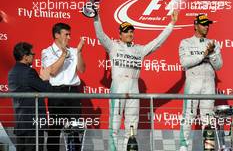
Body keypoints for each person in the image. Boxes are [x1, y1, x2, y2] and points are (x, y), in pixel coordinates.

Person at [93, 10, 178, 151]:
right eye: (126, 31)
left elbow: (157, 43)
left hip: (133, 87)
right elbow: (100, 35)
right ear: (120, 34)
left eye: (131, 31)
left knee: (132, 126)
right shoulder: (113, 46)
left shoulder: (140, 50)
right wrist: (96, 16)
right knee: (114, 125)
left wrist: (171, 24)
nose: (129, 34)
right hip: (118, 87)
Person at [179, 14, 223, 151]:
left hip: (209, 83)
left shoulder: (214, 43)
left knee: (208, 116)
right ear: (196, 25)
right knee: (188, 115)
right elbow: (184, 62)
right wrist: (204, 54)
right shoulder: (185, 42)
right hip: (192, 83)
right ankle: (183, 146)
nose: (206, 26)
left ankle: (208, 147)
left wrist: (212, 54)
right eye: (203, 24)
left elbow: (219, 66)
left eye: (207, 24)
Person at [41, 23, 86, 150]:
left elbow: (82, 70)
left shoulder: (73, 51)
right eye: (66, 34)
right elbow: (53, 71)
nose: (69, 37)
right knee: (55, 130)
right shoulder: (46, 51)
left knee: (75, 129)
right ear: (57, 35)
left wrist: (79, 52)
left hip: (73, 94)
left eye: (69, 34)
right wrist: (63, 55)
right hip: (57, 93)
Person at [8, 42, 52, 151]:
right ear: (25, 57)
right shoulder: (29, 72)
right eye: (33, 54)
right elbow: (47, 89)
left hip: (21, 122)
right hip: (33, 124)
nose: (34, 56)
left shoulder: (12, 72)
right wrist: (46, 78)